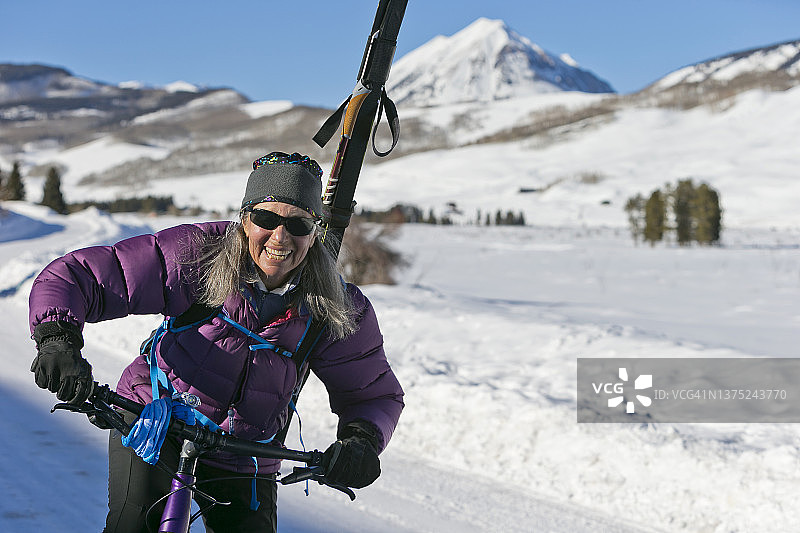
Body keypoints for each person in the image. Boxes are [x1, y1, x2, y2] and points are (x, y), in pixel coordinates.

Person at [28, 151, 405, 533]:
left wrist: (362, 441)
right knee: (134, 525)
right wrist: (58, 339)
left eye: (298, 224)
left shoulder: (335, 304)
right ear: (244, 220)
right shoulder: (196, 255)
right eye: (266, 218)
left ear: (315, 232)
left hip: (245, 453)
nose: (280, 236)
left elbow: (373, 394)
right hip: (157, 423)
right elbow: (78, 276)